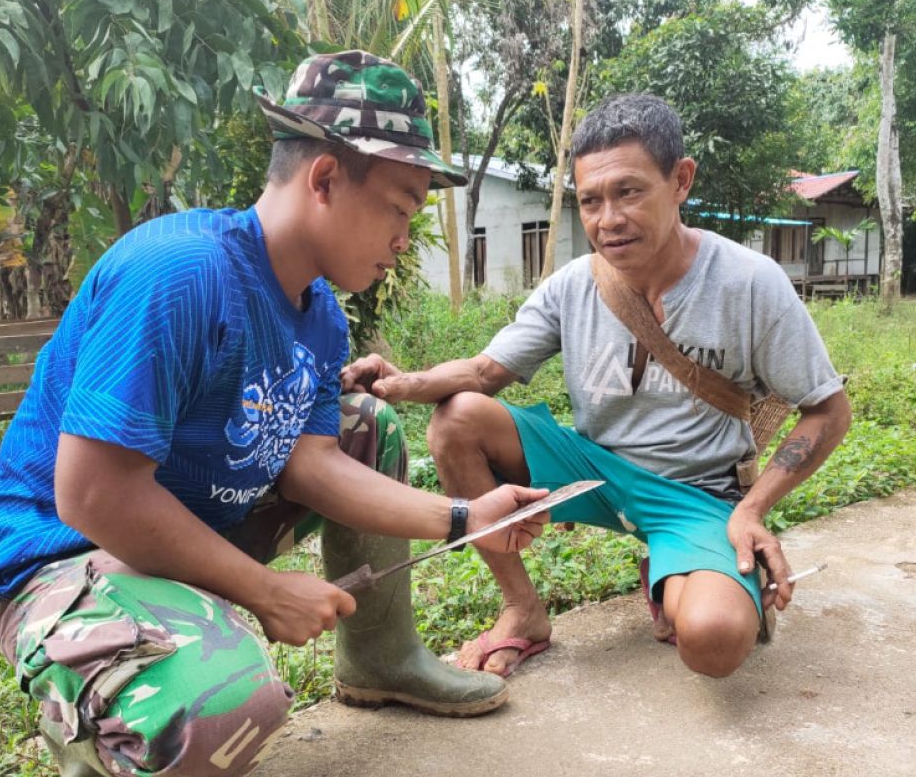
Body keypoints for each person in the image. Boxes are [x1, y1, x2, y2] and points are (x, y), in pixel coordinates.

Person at [0, 51, 548, 777]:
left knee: (365, 426)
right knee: (229, 699)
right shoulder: (179, 274)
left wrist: (464, 516)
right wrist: (263, 592)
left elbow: (314, 464)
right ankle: (98, 741)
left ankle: (383, 660)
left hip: (177, 529)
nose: (404, 237)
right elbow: (92, 494)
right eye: (399, 206)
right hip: (57, 558)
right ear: (324, 178)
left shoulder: (317, 309)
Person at [341, 93, 852, 681]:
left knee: (714, 640)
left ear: (680, 181)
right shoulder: (572, 286)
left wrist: (755, 508)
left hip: (694, 493)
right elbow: (486, 374)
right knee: (458, 416)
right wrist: (405, 383)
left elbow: (828, 411)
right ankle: (524, 610)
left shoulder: (748, 282)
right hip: (592, 472)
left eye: (629, 192)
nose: (608, 220)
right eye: (590, 201)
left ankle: (683, 576)